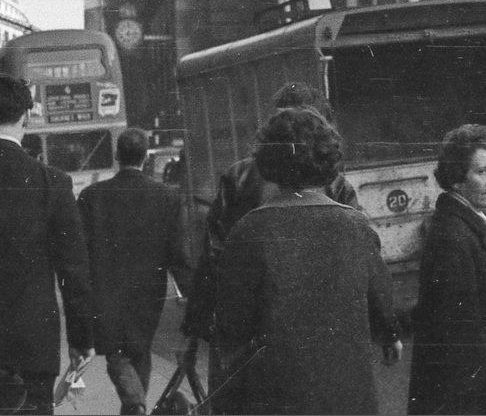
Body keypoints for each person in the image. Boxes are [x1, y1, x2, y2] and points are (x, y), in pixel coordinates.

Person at [213, 107, 401, 414]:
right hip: (346, 395)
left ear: (268, 162)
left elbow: (232, 324)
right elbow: (380, 296)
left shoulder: (249, 230)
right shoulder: (355, 225)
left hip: (277, 396)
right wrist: (390, 336)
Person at [180, 82, 359, 376]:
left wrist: (194, 329)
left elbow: (213, 257)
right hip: (320, 333)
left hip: (248, 336)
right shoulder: (337, 185)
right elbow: (360, 259)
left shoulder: (238, 177)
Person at [407, 124, 486, 415]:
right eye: (482, 172)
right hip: (477, 397)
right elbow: (460, 336)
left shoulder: (468, 221)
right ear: (457, 178)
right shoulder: (453, 235)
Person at [77, 127, 193, 415]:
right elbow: (177, 254)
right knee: (139, 351)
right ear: (145, 157)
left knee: (117, 353)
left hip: (106, 290)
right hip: (149, 292)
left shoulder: (91, 196)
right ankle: (135, 406)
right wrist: (192, 294)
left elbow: (80, 252)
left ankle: (134, 403)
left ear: (117, 155)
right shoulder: (167, 197)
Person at [0, 74, 95, 414]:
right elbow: (74, 271)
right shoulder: (52, 183)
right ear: (26, 116)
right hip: (31, 348)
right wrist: (81, 339)